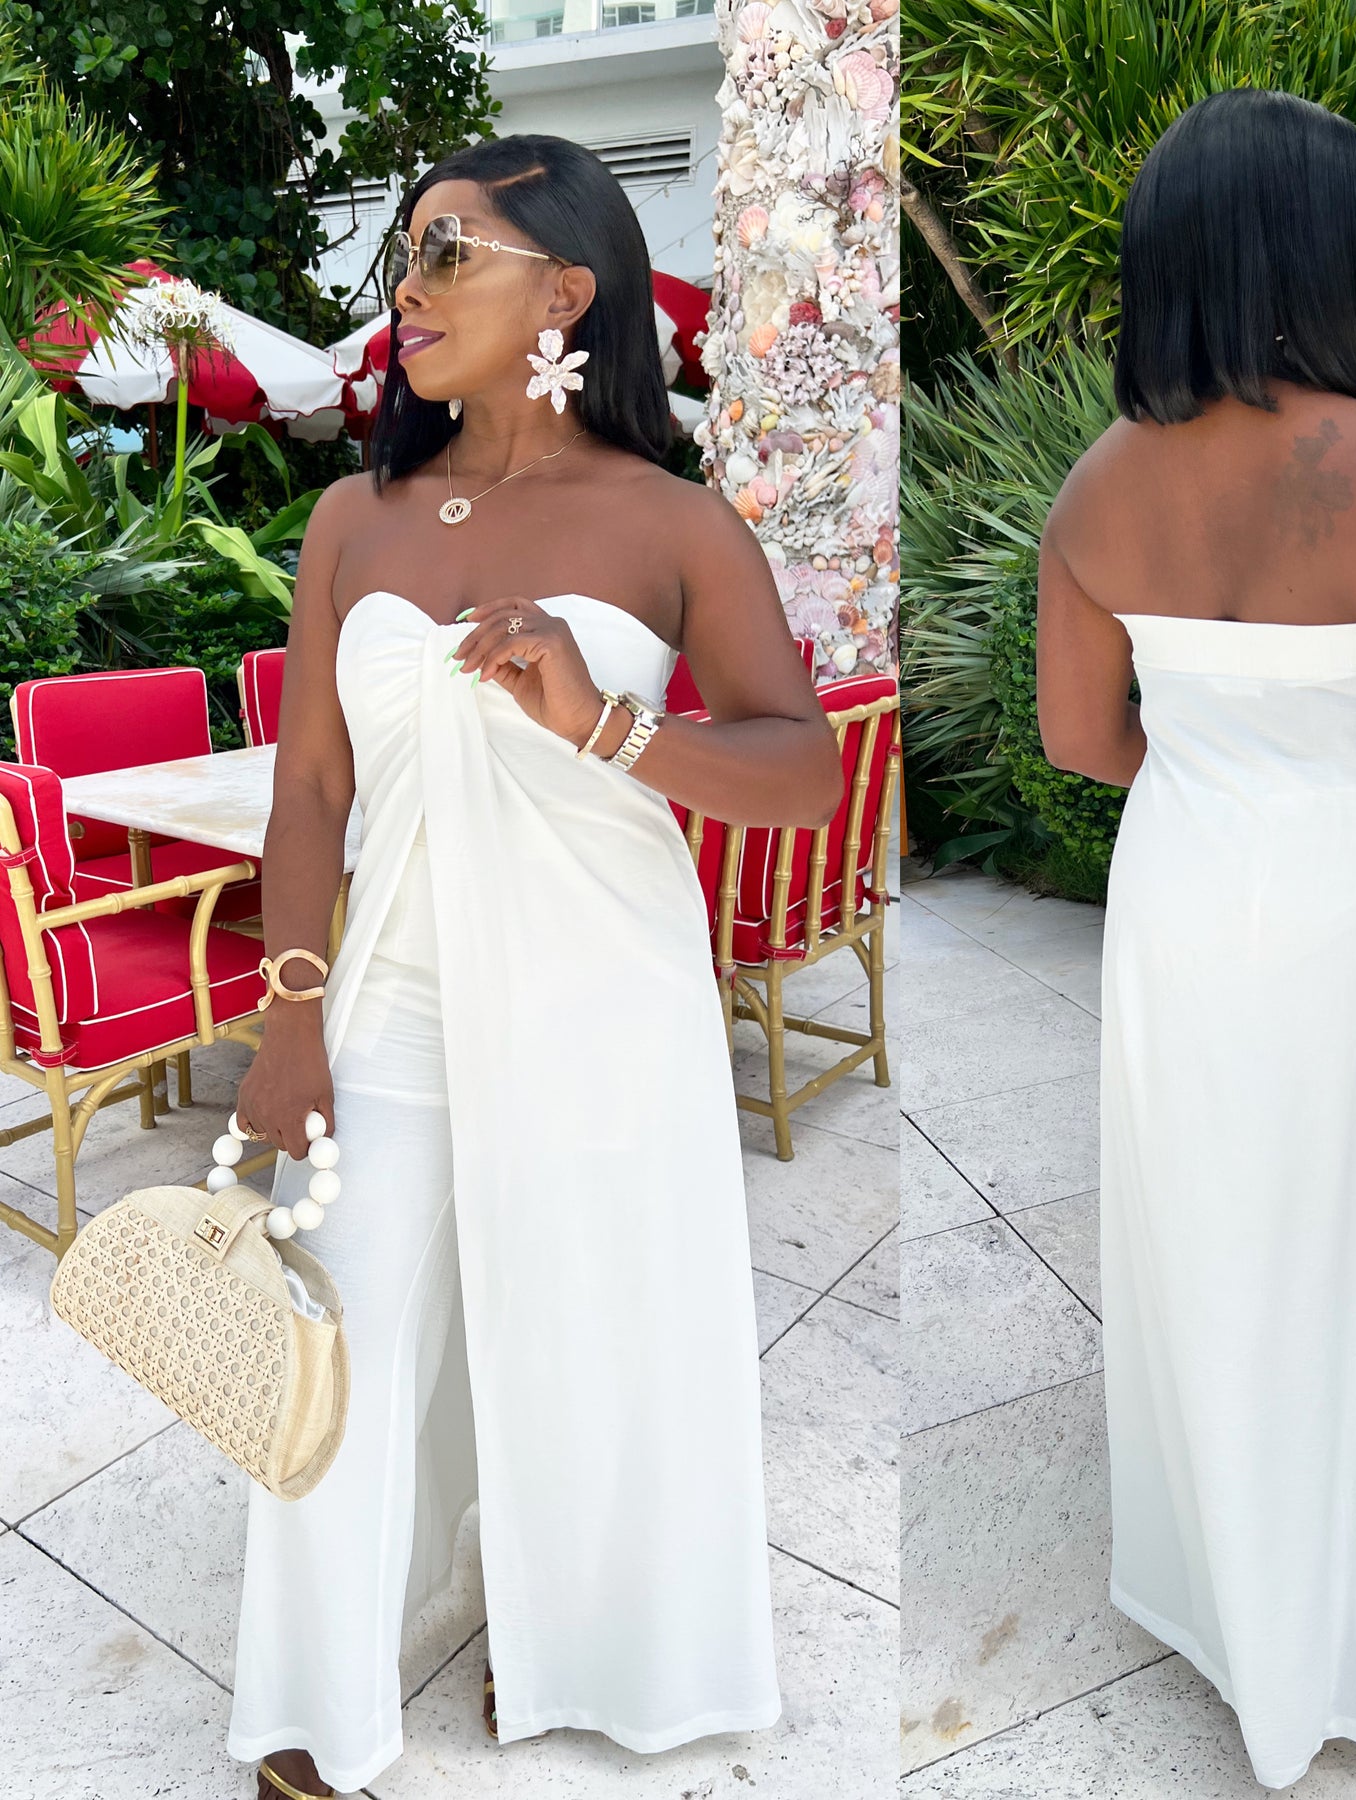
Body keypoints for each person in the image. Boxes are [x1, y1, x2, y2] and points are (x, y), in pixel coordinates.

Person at [225, 134, 845, 1800]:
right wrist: (291, 1018)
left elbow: (803, 769)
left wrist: (607, 722)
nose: (408, 290)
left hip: (603, 994)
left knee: (586, 1328)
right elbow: (309, 790)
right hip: (394, 990)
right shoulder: (352, 520)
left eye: (451, 255)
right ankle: (314, 1693)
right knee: (337, 1329)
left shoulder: (669, 521)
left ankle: (578, 1626)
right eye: (406, 256)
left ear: (566, 292)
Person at [1035, 89, 1356, 1790]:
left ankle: (1227, 1588)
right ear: (1305, 245)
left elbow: (1081, 739)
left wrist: (1228, 769)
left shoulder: (1097, 486)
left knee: (1213, 1237)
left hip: (1188, 903)